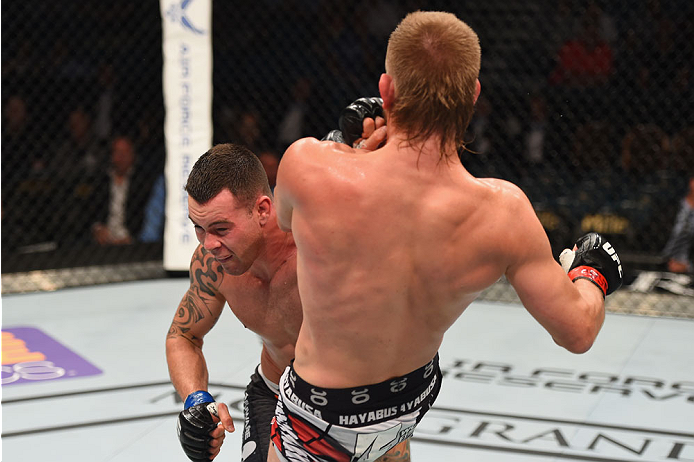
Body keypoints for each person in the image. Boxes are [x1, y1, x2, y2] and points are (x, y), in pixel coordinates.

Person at [270, 11, 623, 462]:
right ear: (473, 96)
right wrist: (593, 273)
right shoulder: (503, 212)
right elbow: (578, 330)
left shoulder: (309, 165)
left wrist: (350, 147)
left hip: (314, 420)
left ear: (386, 90)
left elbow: (284, 218)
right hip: (402, 412)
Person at [167, 143, 411, 462]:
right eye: (198, 228)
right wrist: (196, 401)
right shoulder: (212, 265)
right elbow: (183, 336)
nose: (209, 244)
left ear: (263, 210)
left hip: (356, 402)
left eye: (221, 229)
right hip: (274, 390)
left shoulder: (320, 251)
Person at [662, 176, 694, 273]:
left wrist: (688, 267)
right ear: (691, 182)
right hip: (661, 263)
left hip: (688, 269)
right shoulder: (670, 208)